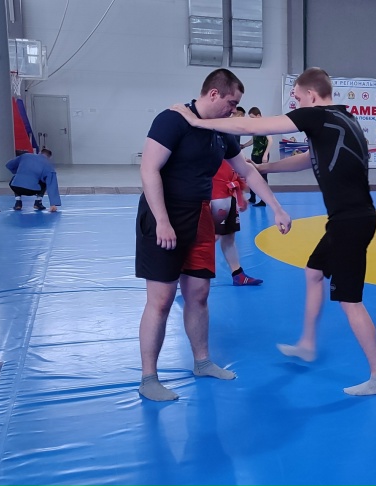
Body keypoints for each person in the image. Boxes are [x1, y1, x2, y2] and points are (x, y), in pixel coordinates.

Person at [170, 67, 376, 396]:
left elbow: (250, 126)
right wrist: (263, 168)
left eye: (299, 98)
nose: (297, 103)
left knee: (350, 301)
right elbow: (308, 159)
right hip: (350, 218)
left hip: (351, 222)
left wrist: (198, 122)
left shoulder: (316, 115)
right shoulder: (344, 118)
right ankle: (307, 343)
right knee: (313, 272)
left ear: (311, 96)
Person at [135, 68, 291, 402]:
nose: (234, 110)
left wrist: (276, 207)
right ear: (214, 94)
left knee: (199, 294)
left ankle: (202, 361)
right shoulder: (172, 120)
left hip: (200, 216)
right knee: (161, 300)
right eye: (232, 103)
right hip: (164, 214)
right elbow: (149, 169)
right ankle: (149, 377)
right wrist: (162, 220)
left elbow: (246, 169)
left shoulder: (221, 131)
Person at [211, 159, 263, 286]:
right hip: (215, 195)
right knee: (213, 236)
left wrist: (240, 193)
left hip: (228, 193)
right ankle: (185, 269)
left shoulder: (227, 147)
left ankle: (238, 274)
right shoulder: (209, 147)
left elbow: (232, 167)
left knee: (229, 235)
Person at [245, 106, 273, 207]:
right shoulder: (255, 127)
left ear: (258, 115)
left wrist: (265, 154)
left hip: (262, 155)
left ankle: (264, 200)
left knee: (263, 178)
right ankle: (252, 197)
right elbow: (254, 140)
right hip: (255, 154)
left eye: (252, 117)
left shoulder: (265, 126)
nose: (251, 120)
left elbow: (270, 141)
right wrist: (244, 145)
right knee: (252, 176)